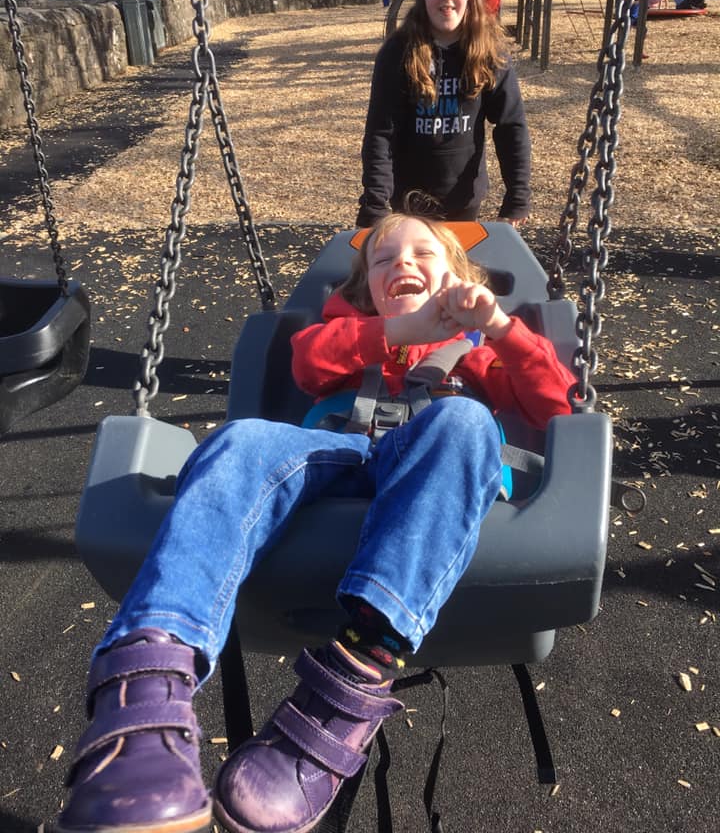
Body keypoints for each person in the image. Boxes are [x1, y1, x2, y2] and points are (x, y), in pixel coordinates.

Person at [55, 214, 574, 833]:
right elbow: (308, 367)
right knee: (242, 438)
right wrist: (399, 331)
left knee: (462, 423)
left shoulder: (482, 351)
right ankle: (144, 698)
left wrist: (496, 327)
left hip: (434, 481)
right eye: (383, 260)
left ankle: (348, 682)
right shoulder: (348, 330)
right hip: (333, 457)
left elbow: (555, 406)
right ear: (365, 288)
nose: (401, 264)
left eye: (422, 253)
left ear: (459, 275)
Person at [358, 0, 532, 230]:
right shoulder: (398, 53)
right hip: (408, 202)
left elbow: (511, 126)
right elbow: (380, 134)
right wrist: (375, 207)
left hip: (465, 200)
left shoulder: (489, 52)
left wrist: (518, 196)